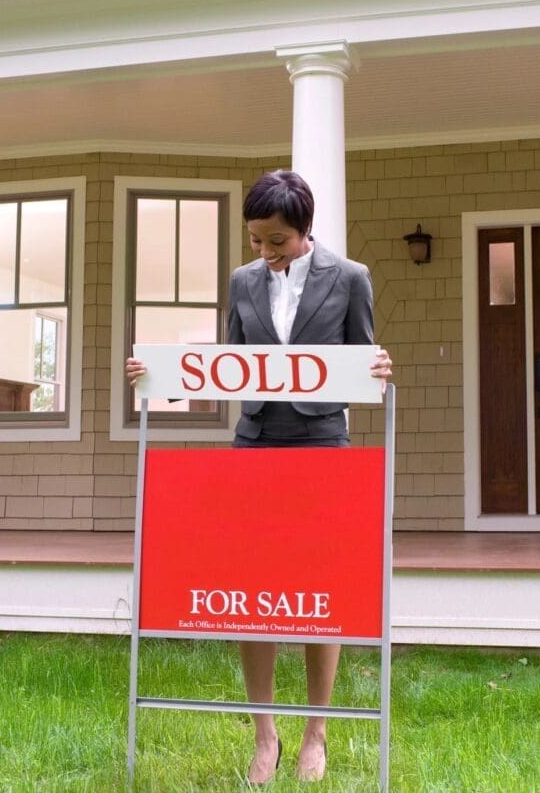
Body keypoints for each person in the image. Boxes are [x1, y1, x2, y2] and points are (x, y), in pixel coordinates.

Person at [126, 170, 392, 784]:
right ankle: (264, 734)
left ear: (305, 232)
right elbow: (227, 366)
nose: (265, 255)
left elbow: (362, 366)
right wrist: (157, 374)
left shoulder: (350, 279)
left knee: (321, 595)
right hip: (255, 448)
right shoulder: (242, 282)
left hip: (322, 446)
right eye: (255, 243)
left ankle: (315, 734)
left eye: (276, 242)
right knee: (253, 591)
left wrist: (377, 366)